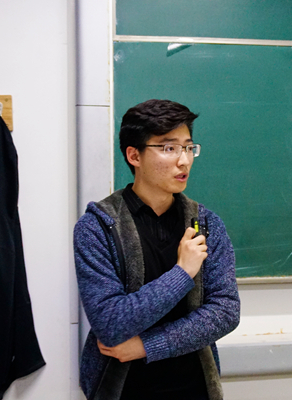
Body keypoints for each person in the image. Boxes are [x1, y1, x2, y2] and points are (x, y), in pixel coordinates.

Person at [73, 99, 240, 400]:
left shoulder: (207, 224)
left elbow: (225, 311)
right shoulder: (98, 227)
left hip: (194, 388)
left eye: (188, 148)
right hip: (122, 390)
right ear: (134, 155)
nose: (184, 161)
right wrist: (182, 273)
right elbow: (110, 324)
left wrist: (146, 346)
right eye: (169, 148)